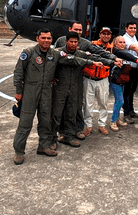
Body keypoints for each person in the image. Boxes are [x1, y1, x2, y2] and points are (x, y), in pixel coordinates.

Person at [12, 29, 84, 164]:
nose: (46, 41)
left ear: (52, 40)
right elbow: (18, 72)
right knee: (25, 123)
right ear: (37, 38)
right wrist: (18, 91)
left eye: (49, 38)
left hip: (46, 91)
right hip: (30, 91)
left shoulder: (54, 54)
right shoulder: (28, 53)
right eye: (43, 38)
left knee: (46, 121)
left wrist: (91, 61)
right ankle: (19, 151)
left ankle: (43, 146)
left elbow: (70, 59)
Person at [54, 21, 120, 140]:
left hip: (77, 78)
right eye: (75, 30)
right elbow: (54, 59)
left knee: (77, 105)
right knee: (61, 107)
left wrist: (112, 59)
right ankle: (61, 132)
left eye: (80, 30)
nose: (78, 32)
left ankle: (78, 129)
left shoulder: (85, 44)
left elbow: (97, 54)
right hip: (63, 79)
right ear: (69, 29)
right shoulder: (60, 42)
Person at [110, 36, 138, 131]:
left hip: (122, 80)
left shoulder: (123, 52)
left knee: (119, 101)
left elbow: (132, 57)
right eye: (120, 42)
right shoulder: (116, 52)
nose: (123, 44)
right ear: (115, 44)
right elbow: (130, 57)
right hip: (115, 81)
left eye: (124, 42)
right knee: (120, 101)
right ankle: (113, 121)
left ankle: (117, 119)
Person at [82, 27, 114, 136]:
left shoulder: (112, 48)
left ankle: (102, 124)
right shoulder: (91, 45)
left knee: (103, 103)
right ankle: (88, 125)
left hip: (103, 79)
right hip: (89, 78)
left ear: (110, 36)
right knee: (87, 103)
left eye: (108, 34)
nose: (106, 36)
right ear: (100, 34)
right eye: (103, 33)